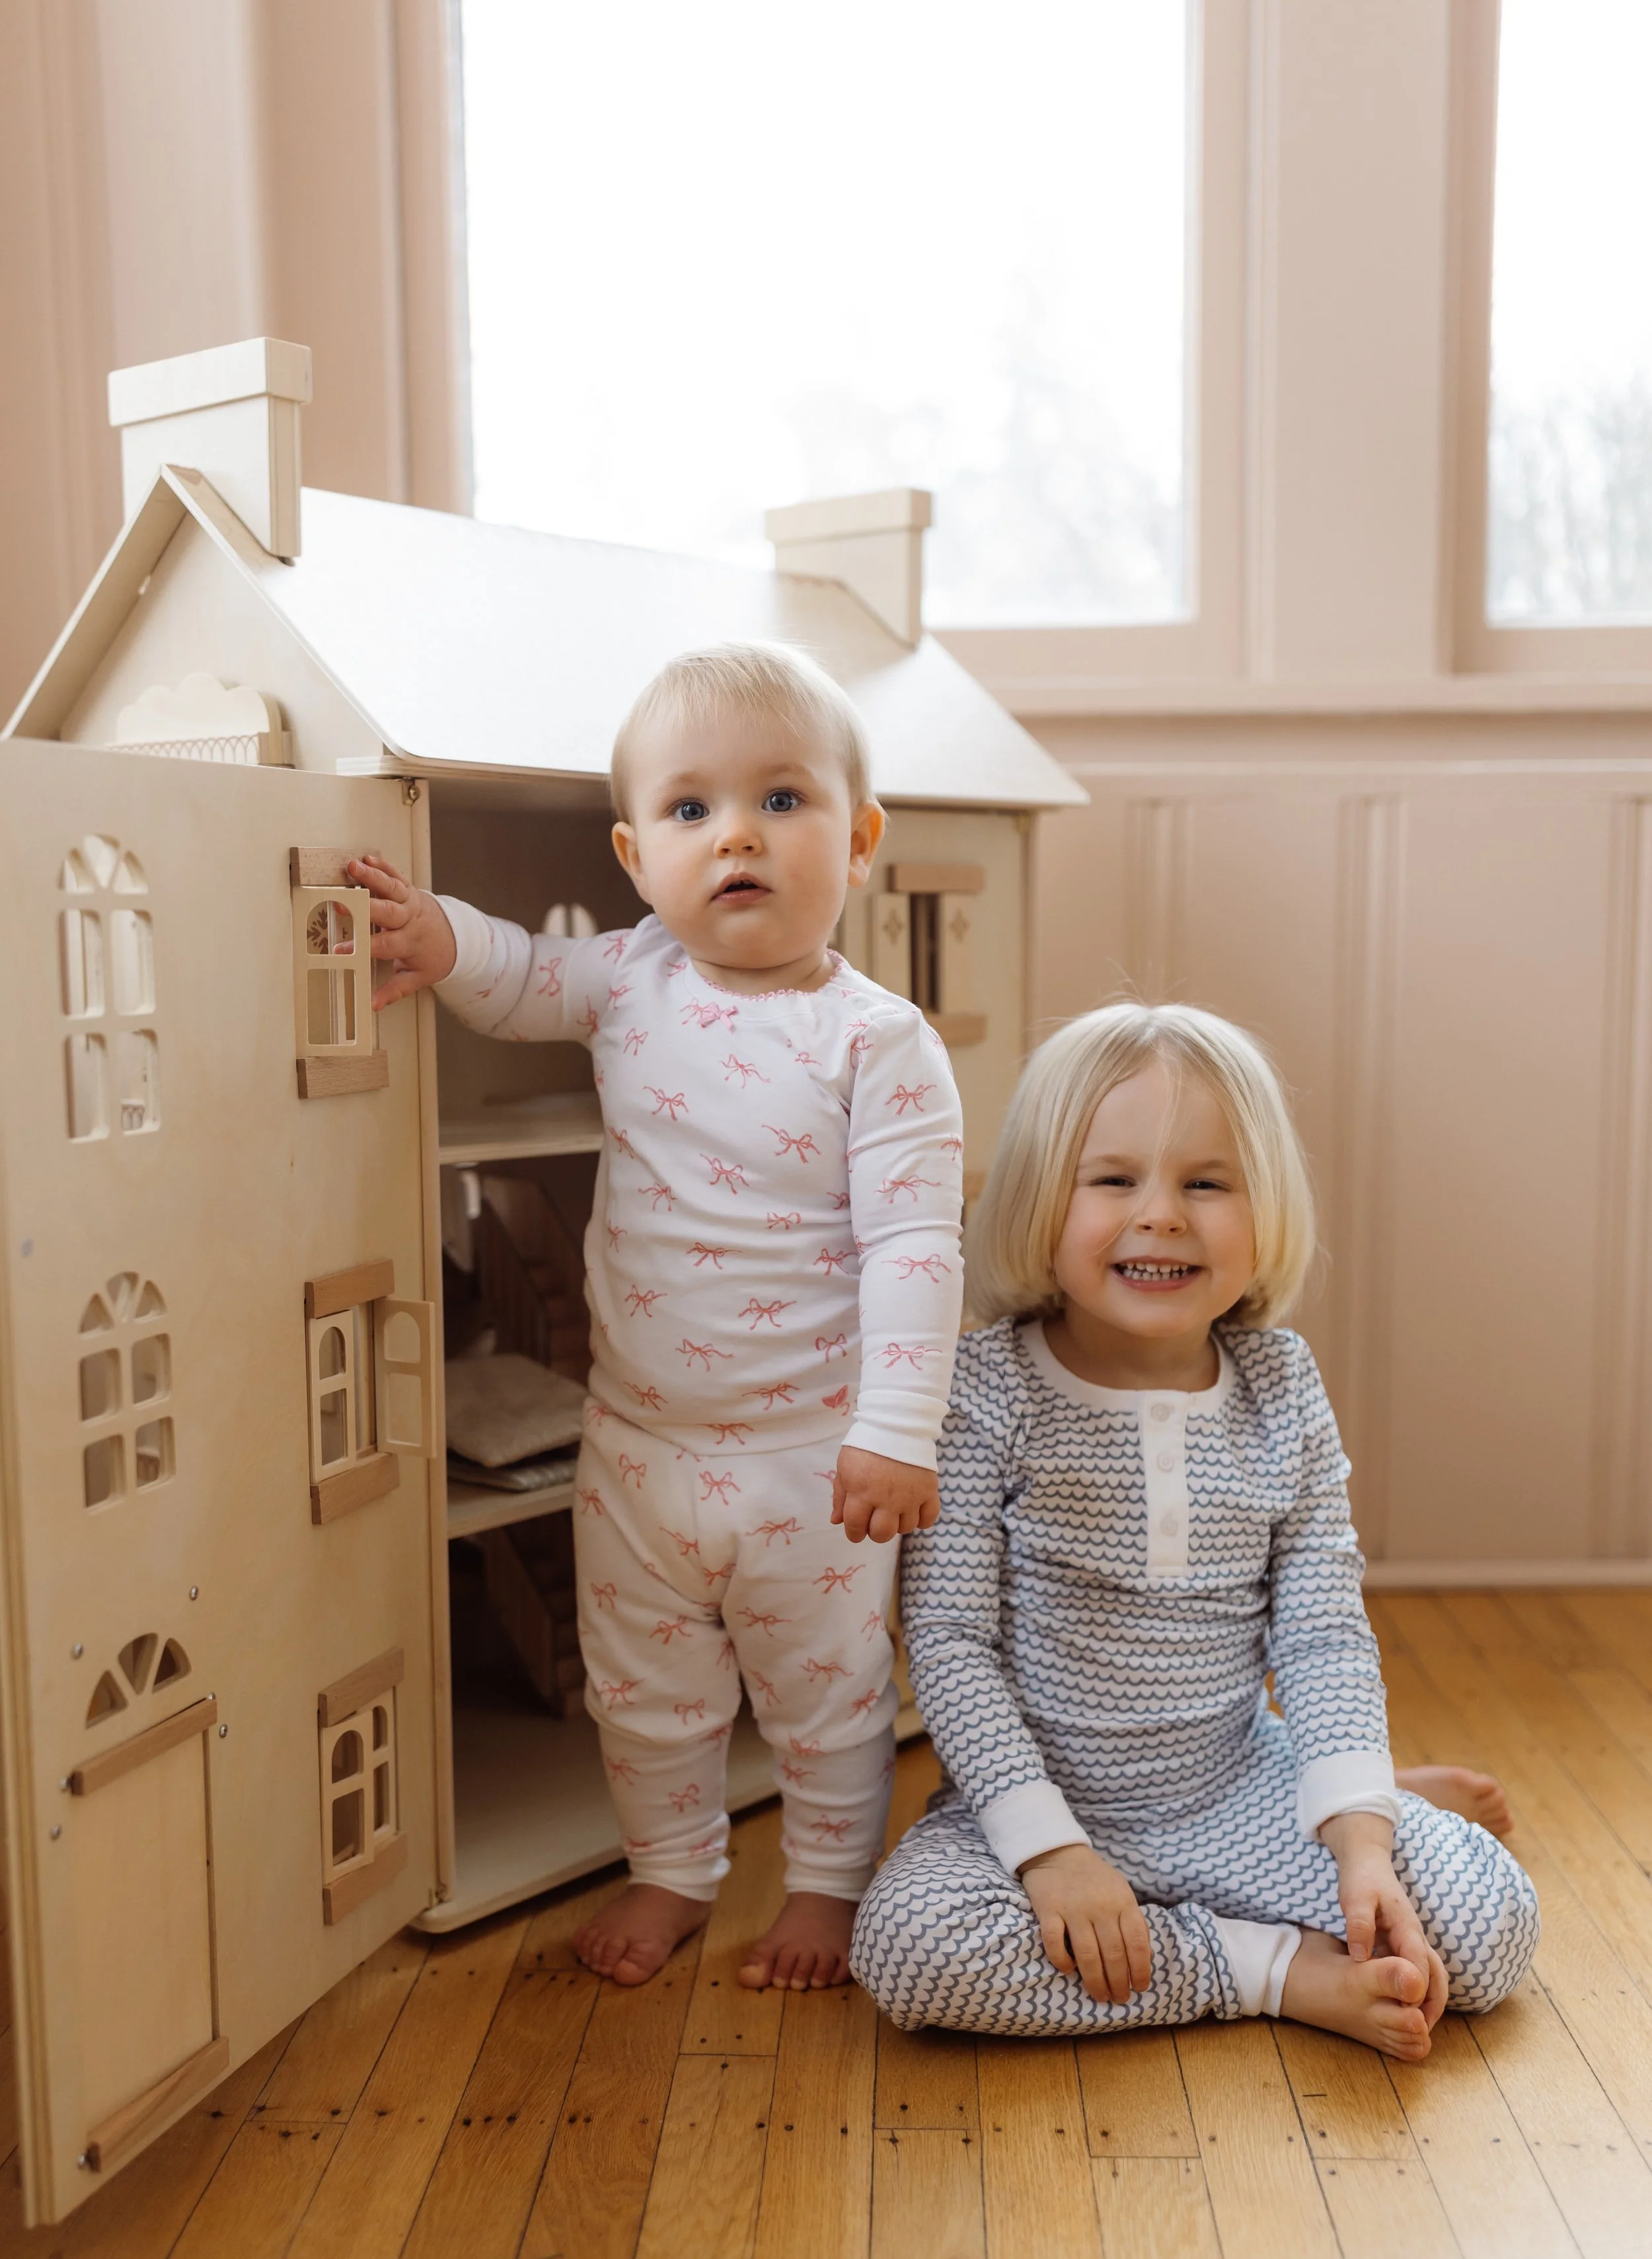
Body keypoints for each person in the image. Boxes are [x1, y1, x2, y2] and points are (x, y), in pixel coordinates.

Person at [348, 644, 963, 1992]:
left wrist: (897, 1427)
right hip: (634, 1444)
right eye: (691, 811)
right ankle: (672, 1868)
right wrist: (434, 934)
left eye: (781, 801)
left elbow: (915, 1245)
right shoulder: (630, 980)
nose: (734, 833)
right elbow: (511, 979)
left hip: (810, 1453)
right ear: (635, 859)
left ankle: (822, 1886)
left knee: (828, 1694)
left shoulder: (876, 1043)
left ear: (857, 842)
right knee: (642, 1687)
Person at [850, 1002, 1538, 2058]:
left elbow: (1320, 1636)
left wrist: (1357, 1841)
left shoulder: (1282, 1385)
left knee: (1489, 1930)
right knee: (913, 1951)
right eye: (1114, 1179)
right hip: (1044, 1801)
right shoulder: (981, 1390)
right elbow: (946, 1644)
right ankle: (1267, 1971)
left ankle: (1359, 1785)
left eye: (1207, 1183)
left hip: (1235, 1785)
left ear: (1265, 1210)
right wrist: (1048, 1855)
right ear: (1039, 1198)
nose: (1162, 1216)